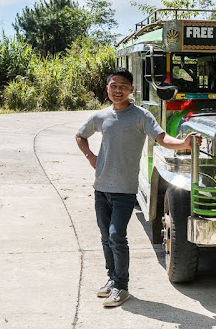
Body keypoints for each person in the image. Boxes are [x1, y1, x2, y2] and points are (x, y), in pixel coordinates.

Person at [75, 68, 200, 307]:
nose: (118, 90)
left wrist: (183, 143)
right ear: (107, 89)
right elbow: (80, 135)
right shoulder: (101, 117)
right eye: (113, 85)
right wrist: (90, 157)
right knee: (105, 237)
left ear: (132, 90)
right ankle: (112, 280)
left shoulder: (141, 116)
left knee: (116, 236)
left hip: (124, 190)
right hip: (101, 188)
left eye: (123, 86)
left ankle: (122, 287)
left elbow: (162, 138)